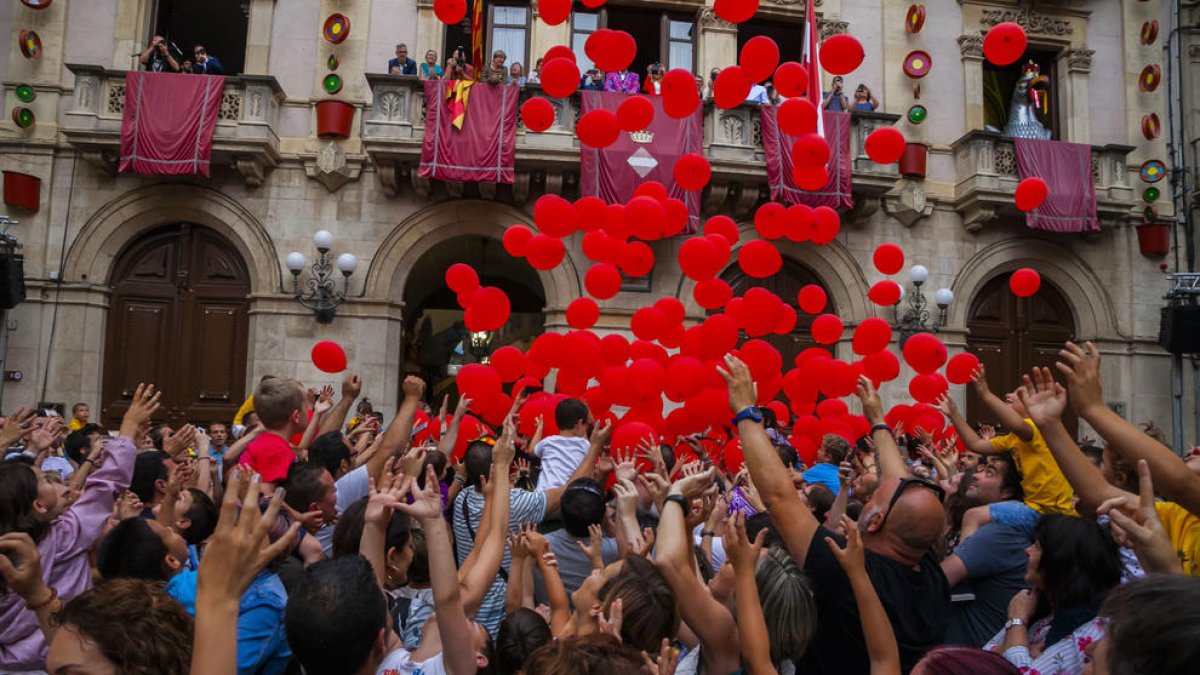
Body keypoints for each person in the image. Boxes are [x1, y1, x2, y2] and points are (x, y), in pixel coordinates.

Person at [718, 356, 950, 675]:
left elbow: (779, 497)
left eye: (873, 498)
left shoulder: (846, 568)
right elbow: (901, 493)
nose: (866, 495)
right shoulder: (929, 570)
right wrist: (878, 421)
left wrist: (746, 411)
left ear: (876, 521)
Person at [0, 383, 158, 670]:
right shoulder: (65, 535)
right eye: (45, 480)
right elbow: (107, 482)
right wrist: (127, 430)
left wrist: (5, 445)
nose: (59, 484)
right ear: (38, 506)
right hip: (60, 658)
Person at [981, 514, 1122, 675]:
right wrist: (1021, 647)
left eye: (1037, 546)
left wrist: (1017, 621)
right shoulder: (1040, 604)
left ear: (1059, 561)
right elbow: (984, 655)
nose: (1027, 551)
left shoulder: (1090, 628)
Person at [940, 455, 1031, 647]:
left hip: (968, 651)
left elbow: (936, 580)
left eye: (989, 473)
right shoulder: (986, 525)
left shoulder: (1000, 534)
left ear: (1006, 492)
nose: (976, 476)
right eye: (980, 470)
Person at [237, 376, 307, 487]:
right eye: (306, 408)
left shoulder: (270, 442)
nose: (308, 412)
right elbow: (266, 494)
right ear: (296, 416)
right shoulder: (276, 449)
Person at [534, 398, 592, 491]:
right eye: (586, 424)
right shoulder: (585, 445)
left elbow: (532, 450)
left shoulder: (548, 442)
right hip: (569, 494)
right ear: (579, 423)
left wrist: (539, 429)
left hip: (544, 493)